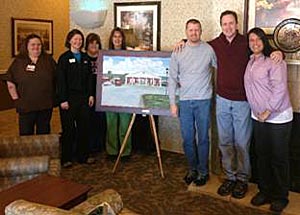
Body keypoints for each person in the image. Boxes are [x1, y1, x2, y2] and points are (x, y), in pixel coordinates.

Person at [174, 10, 283, 199]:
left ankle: (242, 179)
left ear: (237, 24)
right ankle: (230, 177)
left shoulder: (246, 43)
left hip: (242, 102)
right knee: (224, 142)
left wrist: (277, 51)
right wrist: (182, 42)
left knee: (241, 143)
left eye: (231, 23)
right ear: (221, 26)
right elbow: (195, 44)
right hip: (222, 101)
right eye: (224, 24)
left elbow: (262, 48)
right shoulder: (215, 45)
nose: (228, 27)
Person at [244, 27, 292, 213]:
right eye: (251, 40)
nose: (255, 43)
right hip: (258, 117)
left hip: (277, 117)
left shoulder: (275, 60)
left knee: (278, 158)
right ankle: (265, 191)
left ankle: (281, 196)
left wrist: (267, 111)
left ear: (264, 41)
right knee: (262, 156)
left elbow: (279, 88)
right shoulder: (251, 61)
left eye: (258, 39)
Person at [168, 19, 217, 186]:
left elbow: (220, 69)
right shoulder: (178, 50)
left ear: (201, 31)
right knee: (188, 139)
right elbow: (172, 79)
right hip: (185, 102)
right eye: (190, 30)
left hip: (203, 100)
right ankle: (192, 169)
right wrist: (172, 103)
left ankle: (203, 171)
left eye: (197, 30)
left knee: (203, 138)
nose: (194, 32)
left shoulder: (209, 50)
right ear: (186, 31)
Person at [57, 29, 94, 167]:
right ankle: (66, 158)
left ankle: (83, 156)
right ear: (69, 40)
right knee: (68, 129)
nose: (78, 42)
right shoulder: (64, 58)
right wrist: (62, 99)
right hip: (68, 99)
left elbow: (90, 78)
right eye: (75, 39)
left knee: (84, 128)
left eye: (80, 39)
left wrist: (91, 95)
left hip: (84, 99)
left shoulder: (85, 58)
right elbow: (60, 80)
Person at [6, 34, 56, 135]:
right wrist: (16, 99)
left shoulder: (48, 61)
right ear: (27, 46)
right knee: (26, 134)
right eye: (33, 44)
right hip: (26, 106)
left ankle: (42, 151)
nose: (36, 47)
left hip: (45, 106)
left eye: (39, 45)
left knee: (44, 133)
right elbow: (10, 81)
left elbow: (57, 79)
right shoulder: (19, 62)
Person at [106, 27, 132, 160]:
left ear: (123, 39)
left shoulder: (129, 55)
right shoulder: (105, 56)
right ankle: (112, 151)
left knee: (125, 125)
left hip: (125, 96)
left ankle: (125, 152)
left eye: (119, 37)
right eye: (115, 37)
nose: (117, 39)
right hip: (109, 95)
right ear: (111, 39)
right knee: (111, 124)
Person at [85, 33, 107, 163]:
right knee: (89, 121)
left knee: (101, 121)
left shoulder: (103, 57)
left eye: (96, 43)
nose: (94, 45)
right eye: (91, 43)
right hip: (88, 95)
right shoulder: (83, 58)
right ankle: (90, 146)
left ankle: (100, 146)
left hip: (102, 94)